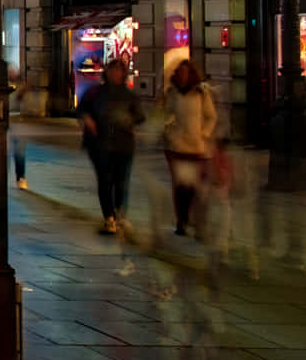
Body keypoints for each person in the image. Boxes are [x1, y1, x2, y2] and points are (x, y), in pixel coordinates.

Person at [78, 57, 146, 234]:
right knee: (105, 180)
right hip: (100, 144)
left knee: (121, 182)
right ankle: (109, 217)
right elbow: (81, 109)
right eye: (112, 70)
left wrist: (129, 120)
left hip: (124, 144)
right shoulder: (95, 92)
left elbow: (139, 116)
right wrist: (87, 119)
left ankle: (120, 214)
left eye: (119, 70)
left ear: (123, 73)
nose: (116, 74)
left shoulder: (129, 95)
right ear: (106, 72)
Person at [160, 60, 219, 236]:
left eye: (186, 72)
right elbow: (165, 115)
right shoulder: (172, 93)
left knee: (194, 186)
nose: (183, 75)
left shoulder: (201, 92)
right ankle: (182, 221)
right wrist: (168, 130)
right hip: (176, 147)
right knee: (180, 186)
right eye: (180, 72)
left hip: (196, 148)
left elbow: (211, 116)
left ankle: (193, 219)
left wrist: (204, 133)